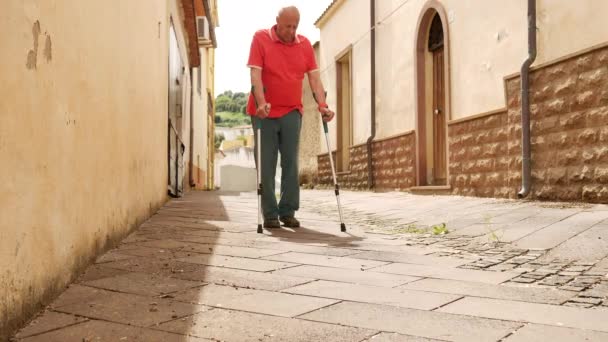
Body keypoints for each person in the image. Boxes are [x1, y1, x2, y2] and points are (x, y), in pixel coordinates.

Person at [246, 6, 335, 229]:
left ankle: (288, 211)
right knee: (266, 165)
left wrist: (323, 106)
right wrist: (260, 102)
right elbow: (255, 74)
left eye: (295, 26)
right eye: (287, 26)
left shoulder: (304, 45)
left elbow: (314, 79)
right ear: (277, 22)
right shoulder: (261, 38)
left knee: (290, 163)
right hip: (263, 112)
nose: (291, 30)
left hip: (292, 111)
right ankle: (270, 214)